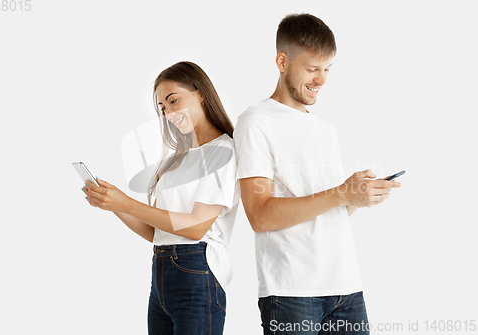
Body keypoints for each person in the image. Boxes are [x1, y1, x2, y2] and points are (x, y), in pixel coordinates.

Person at [233, 14, 401, 335]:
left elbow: (326, 210)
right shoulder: (255, 122)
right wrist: (340, 193)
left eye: (328, 69)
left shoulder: (326, 129)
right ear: (283, 62)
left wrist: (356, 198)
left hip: (346, 286)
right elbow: (259, 215)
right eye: (312, 69)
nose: (321, 79)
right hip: (292, 293)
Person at [83, 61, 240, 335]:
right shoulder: (175, 161)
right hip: (162, 272)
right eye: (163, 107)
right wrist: (113, 205)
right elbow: (156, 232)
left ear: (201, 93)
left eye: (173, 100)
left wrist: (126, 203)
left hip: (197, 270)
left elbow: (195, 227)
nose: (169, 112)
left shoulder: (223, 151)